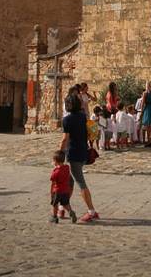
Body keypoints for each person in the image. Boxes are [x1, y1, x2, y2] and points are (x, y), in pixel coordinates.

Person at [59, 93, 99, 223]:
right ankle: (62, 207)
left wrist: (59, 153)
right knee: (69, 181)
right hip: (82, 152)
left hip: (73, 154)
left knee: (80, 183)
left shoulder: (67, 120)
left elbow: (65, 139)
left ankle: (91, 211)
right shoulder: (83, 117)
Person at [49, 150, 76, 223]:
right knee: (66, 203)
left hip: (57, 191)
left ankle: (54, 217)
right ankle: (71, 212)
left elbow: (53, 182)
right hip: (65, 190)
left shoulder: (55, 172)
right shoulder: (67, 167)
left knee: (55, 204)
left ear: (55, 161)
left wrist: (51, 192)